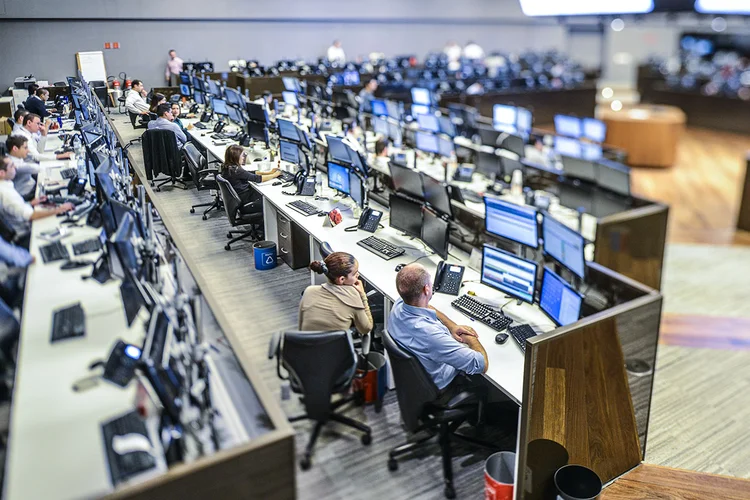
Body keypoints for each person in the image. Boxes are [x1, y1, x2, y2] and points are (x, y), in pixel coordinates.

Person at [387, 264, 488, 395]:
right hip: (438, 387)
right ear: (426, 290)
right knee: (483, 385)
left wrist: (452, 326)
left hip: (413, 380)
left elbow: (426, 307)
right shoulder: (430, 335)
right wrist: (470, 338)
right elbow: (481, 364)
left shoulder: (399, 304)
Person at [299, 252, 373, 336]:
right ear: (341, 279)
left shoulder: (309, 291)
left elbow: (301, 329)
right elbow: (366, 329)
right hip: (336, 348)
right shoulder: (353, 297)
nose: (357, 275)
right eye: (354, 274)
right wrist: (362, 295)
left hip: (305, 346)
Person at [0, 156, 73, 237]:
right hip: (25, 234)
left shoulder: (5, 186)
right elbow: (31, 215)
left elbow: (15, 209)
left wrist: (30, 203)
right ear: (2, 173)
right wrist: (60, 209)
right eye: (11, 166)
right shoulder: (7, 193)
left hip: (25, 225)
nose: (15, 167)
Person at [5, 136, 40, 201]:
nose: (28, 150)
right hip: (27, 195)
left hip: (32, 188)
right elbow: (34, 168)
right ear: (15, 148)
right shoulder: (11, 164)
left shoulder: (17, 157)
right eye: (25, 148)